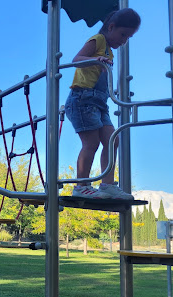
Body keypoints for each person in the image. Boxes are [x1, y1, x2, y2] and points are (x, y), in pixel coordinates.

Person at [65, 8, 141, 199]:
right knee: (90, 143)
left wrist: (111, 90)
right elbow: (76, 60)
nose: (124, 40)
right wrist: (95, 59)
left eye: (128, 37)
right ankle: (81, 186)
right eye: (123, 34)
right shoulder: (98, 40)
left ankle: (107, 184)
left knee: (112, 140)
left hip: (99, 103)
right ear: (111, 27)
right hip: (82, 99)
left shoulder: (110, 53)